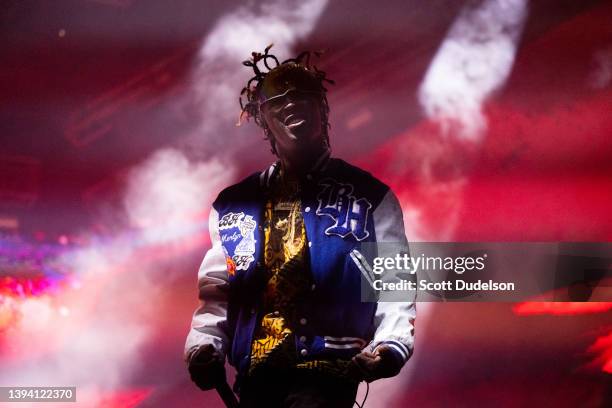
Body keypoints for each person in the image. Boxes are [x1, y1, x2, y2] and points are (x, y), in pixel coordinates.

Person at [184, 46, 415, 407]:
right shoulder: (234, 204)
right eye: (278, 102)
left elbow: (396, 283)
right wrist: (203, 346)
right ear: (262, 120)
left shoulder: (371, 196)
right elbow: (218, 291)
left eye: (303, 98)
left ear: (323, 111)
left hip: (328, 376)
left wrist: (391, 344)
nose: (292, 106)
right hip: (254, 380)